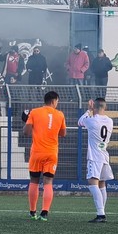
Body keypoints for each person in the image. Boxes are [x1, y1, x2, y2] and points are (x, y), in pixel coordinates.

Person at [23, 91, 66, 221]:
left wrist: (28, 122)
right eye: (57, 101)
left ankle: (32, 212)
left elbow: (26, 132)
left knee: (34, 181)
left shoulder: (34, 112)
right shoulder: (60, 114)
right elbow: (63, 133)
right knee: (48, 182)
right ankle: (45, 213)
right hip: (52, 153)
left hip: (37, 152)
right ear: (54, 101)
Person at [78, 98, 114, 223]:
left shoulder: (92, 121)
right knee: (102, 184)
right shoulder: (110, 121)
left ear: (94, 107)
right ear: (106, 107)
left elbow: (80, 122)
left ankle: (100, 214)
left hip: (94, 156)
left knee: (93, 182)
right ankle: (102, 211)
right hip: (104, 154)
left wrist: (89, 110)